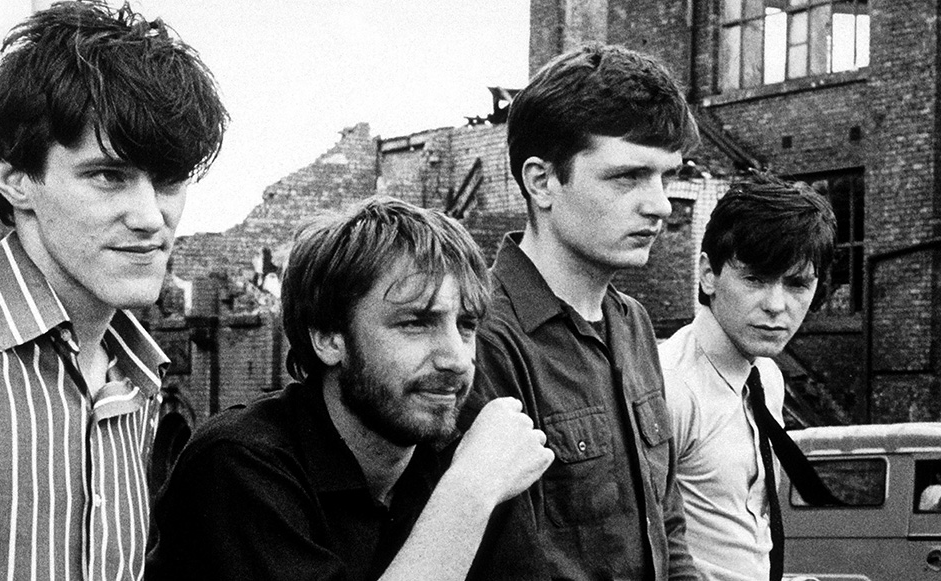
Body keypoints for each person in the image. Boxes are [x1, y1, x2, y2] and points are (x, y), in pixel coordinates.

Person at [0, 2, 226, 579]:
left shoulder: (138, 378)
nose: (152, 217)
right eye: (109, 175)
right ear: (15, 178)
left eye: (169, 180)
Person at [148, 197, 555, 580]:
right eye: (415, 323)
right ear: (328, 338)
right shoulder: (239, 465)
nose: (457, 359)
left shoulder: (473, 450)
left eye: (466, 325)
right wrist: (469, 493)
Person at [466, 43, 702, 580]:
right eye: (627, 177)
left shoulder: (633, 323)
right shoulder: (484, 338)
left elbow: (667, 525)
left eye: (666, 177)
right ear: (542, 181)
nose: (661, 204)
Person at [658, 175, 836, 580]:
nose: (776, 305)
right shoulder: (670, 387)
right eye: (755, 278)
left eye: (797, 283)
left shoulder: (767, 377)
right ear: (708, 274)